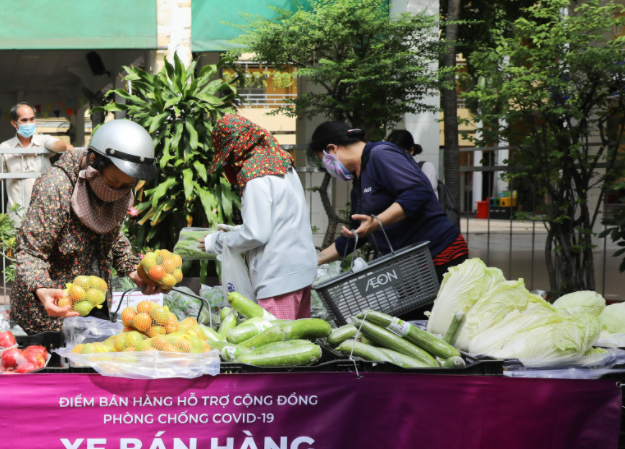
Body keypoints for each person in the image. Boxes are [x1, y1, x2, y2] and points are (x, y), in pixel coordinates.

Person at [11, 119, 161, 334]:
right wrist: (42, 289)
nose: (115, 190)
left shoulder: (122, 188)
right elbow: (30, 251)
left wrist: (133, 270)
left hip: (94, 303)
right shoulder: (57, 185)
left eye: (126, 185)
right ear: (93, 159)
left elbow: (112, 233)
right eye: (112, 180)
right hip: (51, 309)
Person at [310, 121, 469, 286]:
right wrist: (315, 260)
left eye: (324, 160)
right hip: (406, 266)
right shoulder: (359, 180)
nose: (327, 167)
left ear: (332, 149)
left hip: (438, 254)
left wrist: (377, 222)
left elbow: (418, 192)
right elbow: (358, 233)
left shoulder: (381, 154)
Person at [199, 115, 317, 320]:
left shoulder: (255, 175)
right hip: (301, 272)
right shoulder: (281, 163)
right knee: (298, 344)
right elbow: (279, 220)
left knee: (277, 346)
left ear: (235, 150)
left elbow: (256, 234)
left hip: (278, 282)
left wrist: (217, 241)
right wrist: (237, 231)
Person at [0, 103, 73, 224]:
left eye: (32, 119)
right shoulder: (6, 147)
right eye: (24, 120)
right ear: (14, 123)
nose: (29, 123)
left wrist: (66, 146)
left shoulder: (42, 140)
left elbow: (56, 145)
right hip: (18, 216)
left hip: (46, 214)